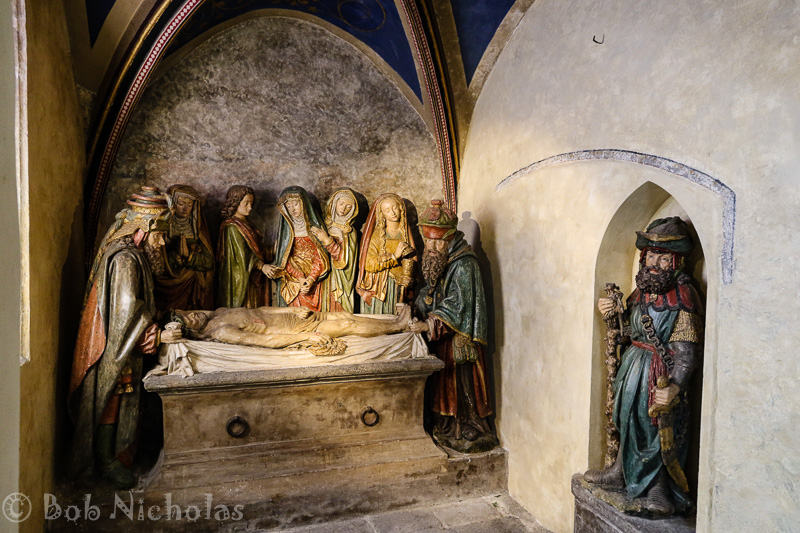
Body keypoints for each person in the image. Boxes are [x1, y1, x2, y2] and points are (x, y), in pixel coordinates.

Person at [584, 217, 704, 516]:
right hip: (633, 366)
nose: (654, 263)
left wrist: (675, 385)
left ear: (675, 261)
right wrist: (611, 313)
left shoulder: (683, 295)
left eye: (662, 258)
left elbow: (687, 348)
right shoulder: (641, 292)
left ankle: (658, 488)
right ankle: (620, 472)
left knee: (656, 429)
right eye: (650, 256)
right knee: (625, 419)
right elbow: (627, 332)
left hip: (659, 372)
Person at [68, 186, 181, 489]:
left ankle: (115, 455)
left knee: (119, 396)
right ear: (143, 229)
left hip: (121, 341)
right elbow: (126, 311)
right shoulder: (126, 259)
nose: (163, 242)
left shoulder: (132, 254)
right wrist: (155, 334)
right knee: (112, 397)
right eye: (160, 235)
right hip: (113, 345)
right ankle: (105, 459)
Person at [413, 200, 497, 453]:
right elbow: (432, 290)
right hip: (443, 337)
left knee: (461, 384)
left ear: (450, 237)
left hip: (459, 338)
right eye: (428, 241)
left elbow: (459, 304)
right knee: (443, 384)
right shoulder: (441, 258)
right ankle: (447, 425)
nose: (431, 247)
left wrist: (430, 323)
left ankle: (469, 426)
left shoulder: (464, 264)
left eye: (437, 242)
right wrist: (419, 305)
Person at [172, 303, 421, 349]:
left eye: (188, 313)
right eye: (189, 320)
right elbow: (267, 341)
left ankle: (392, 321)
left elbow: (260, 311)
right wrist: (306, 338)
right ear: (191, 331)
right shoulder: (222, 332)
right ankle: (399, 327)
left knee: (344, 314)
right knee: (347, 324)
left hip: (294, 318)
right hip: (293, 331)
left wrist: (291, 309)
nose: (193, 315)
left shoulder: (219, 313)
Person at [264, 186, 330, 311]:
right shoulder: (286, 232)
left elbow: (321, 255)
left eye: (295, 204)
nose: (292, 209)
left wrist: (311, 278)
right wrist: (299, 277)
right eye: (288, 206)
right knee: (294, 314)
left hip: (315, 277)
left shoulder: (315, 228)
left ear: (303, 204)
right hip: (293, 279)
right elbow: (284, 259)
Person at [154, 184, 215, 311]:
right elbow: (155, 261)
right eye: (181, 204)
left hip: (191, 283)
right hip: (166, 284)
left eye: (189, 205)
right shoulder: (161, 229)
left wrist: (190, 256)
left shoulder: (198, 229)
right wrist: (176, 256)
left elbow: (209, 262)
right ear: (172, 204)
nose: (185, 208)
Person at [356, 193, 416, 314]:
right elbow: (369, 264)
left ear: (401, 208)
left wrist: (410, 277)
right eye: (387, 210)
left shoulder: (406, 235)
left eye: (395, 208)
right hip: (380, 287)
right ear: (382, 214)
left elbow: (413, 262)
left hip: (399, 287)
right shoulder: (377, 236)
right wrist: (394, 256)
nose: (392, 213)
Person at [217, 185, 271, 308]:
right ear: (235, 203)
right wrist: (261, 266)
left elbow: (256, 250)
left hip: (251, 277)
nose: (250, 207)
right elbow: (242, 257)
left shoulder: (246, 223)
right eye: (246, 203)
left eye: (251, 203)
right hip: (241, 279)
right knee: (245, 311)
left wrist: (272, 249)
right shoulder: (231, 227)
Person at [311, 188, 360, 312]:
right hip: (322, 276)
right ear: (334, 203)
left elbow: (345, 261)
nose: (343, 209)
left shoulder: (349, 232)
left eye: (349, 206)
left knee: (338, 310)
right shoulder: (323, 225)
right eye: (341, 203)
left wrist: (328, 241)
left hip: (339, 279)